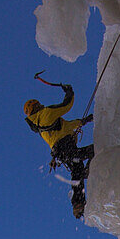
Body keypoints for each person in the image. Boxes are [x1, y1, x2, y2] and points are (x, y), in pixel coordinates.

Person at [24, 81, 94, 219]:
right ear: (36, 106)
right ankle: (88, 171)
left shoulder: (41, 125)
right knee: (95, 149)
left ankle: (78, 204)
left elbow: (66, 127)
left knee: (76, 170)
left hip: (61, 152)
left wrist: (83, 121)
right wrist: (69, 91)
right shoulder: (46, 114)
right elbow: (66, 105)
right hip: (66, 147)